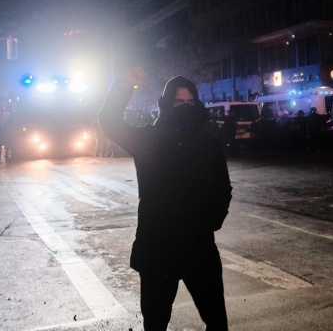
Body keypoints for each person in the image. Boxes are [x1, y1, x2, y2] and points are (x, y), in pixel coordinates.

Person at [99, 68, 233, 330]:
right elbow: (109, 121)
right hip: (157, 248)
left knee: (216, 320)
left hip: (199, 247)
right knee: (156, 321)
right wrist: (123, 86)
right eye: (178, 102)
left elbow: (223, 186)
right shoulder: (148, 139)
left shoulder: (208, 143)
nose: (184, 107)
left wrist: (213, 220)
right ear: (166, 104)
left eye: (189, 102)